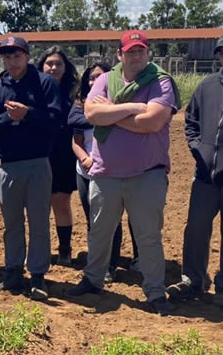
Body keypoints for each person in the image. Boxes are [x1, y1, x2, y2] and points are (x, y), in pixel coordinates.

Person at [66, 30, 181, 317]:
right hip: (106, 173)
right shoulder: (105, 79)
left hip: (147, 173)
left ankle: (155, 291)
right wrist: (130, 109)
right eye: (131, 51)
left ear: (148, 53)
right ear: (120, 55)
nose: (136, 55)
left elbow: (152, 122)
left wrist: (113, 114)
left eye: (141, 50)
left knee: (148, 236)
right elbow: (92, 115)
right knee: (100, 232)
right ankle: (94, 280)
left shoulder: (161, 81)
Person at [167, 32, 223, 308]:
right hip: (206, 175)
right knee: (195, 228)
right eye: (222, 52)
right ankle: (193, 279)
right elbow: (191, 121)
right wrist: (198, 150)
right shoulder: (207, 86)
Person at [0, 36, 61, 300]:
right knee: (12, 223)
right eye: (6, 57)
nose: (11, 61)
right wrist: (9, 118)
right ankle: (13, 272)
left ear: (27, 56)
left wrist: (27, 113)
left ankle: (38, 276)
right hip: (8, 165)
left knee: (39, 222)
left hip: (38, 162)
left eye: (16, 56)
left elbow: (55, 120)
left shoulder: (45, 83)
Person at [70, 62, 138, 283]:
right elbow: (76, 137)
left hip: (110, 171)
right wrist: (85, 159)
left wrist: (111, 112)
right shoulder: (80, 105)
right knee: (93, 221)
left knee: (112, 222)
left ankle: (110, 264)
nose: (94, 81)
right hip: (86, 169)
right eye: (91, 77)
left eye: (100, 76)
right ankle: (97, 264)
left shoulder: (120, 101)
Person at [38, 47, 79, 266]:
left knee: (61, 202)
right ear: (42, 66)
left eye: (58, 64)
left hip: (64, 153)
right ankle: (40, 250)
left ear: (65, 68)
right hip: (38, 152)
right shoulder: (34, 88)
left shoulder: (74, 92)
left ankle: (65, 250)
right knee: (38, 205)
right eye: (49, 63)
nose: (53, 68)